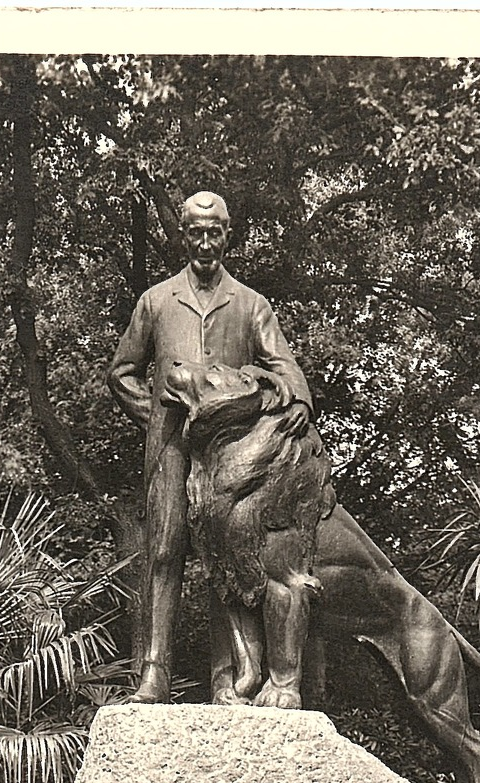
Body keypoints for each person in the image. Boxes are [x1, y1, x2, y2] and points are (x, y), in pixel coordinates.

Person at [107, 191, 313, 704]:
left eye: (214, 232)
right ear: (182, 236)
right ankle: (154, 675)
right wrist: (158, 416)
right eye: (195, 232)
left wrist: (298, 402)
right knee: (163, 552)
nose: (205, 242)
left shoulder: (250, 304)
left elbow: (283, 366)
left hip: (227, 458)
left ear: (227, 235)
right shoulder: (156, 300)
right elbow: (122, 373)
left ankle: (228, 679)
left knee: (227, 560)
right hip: (171, 451)